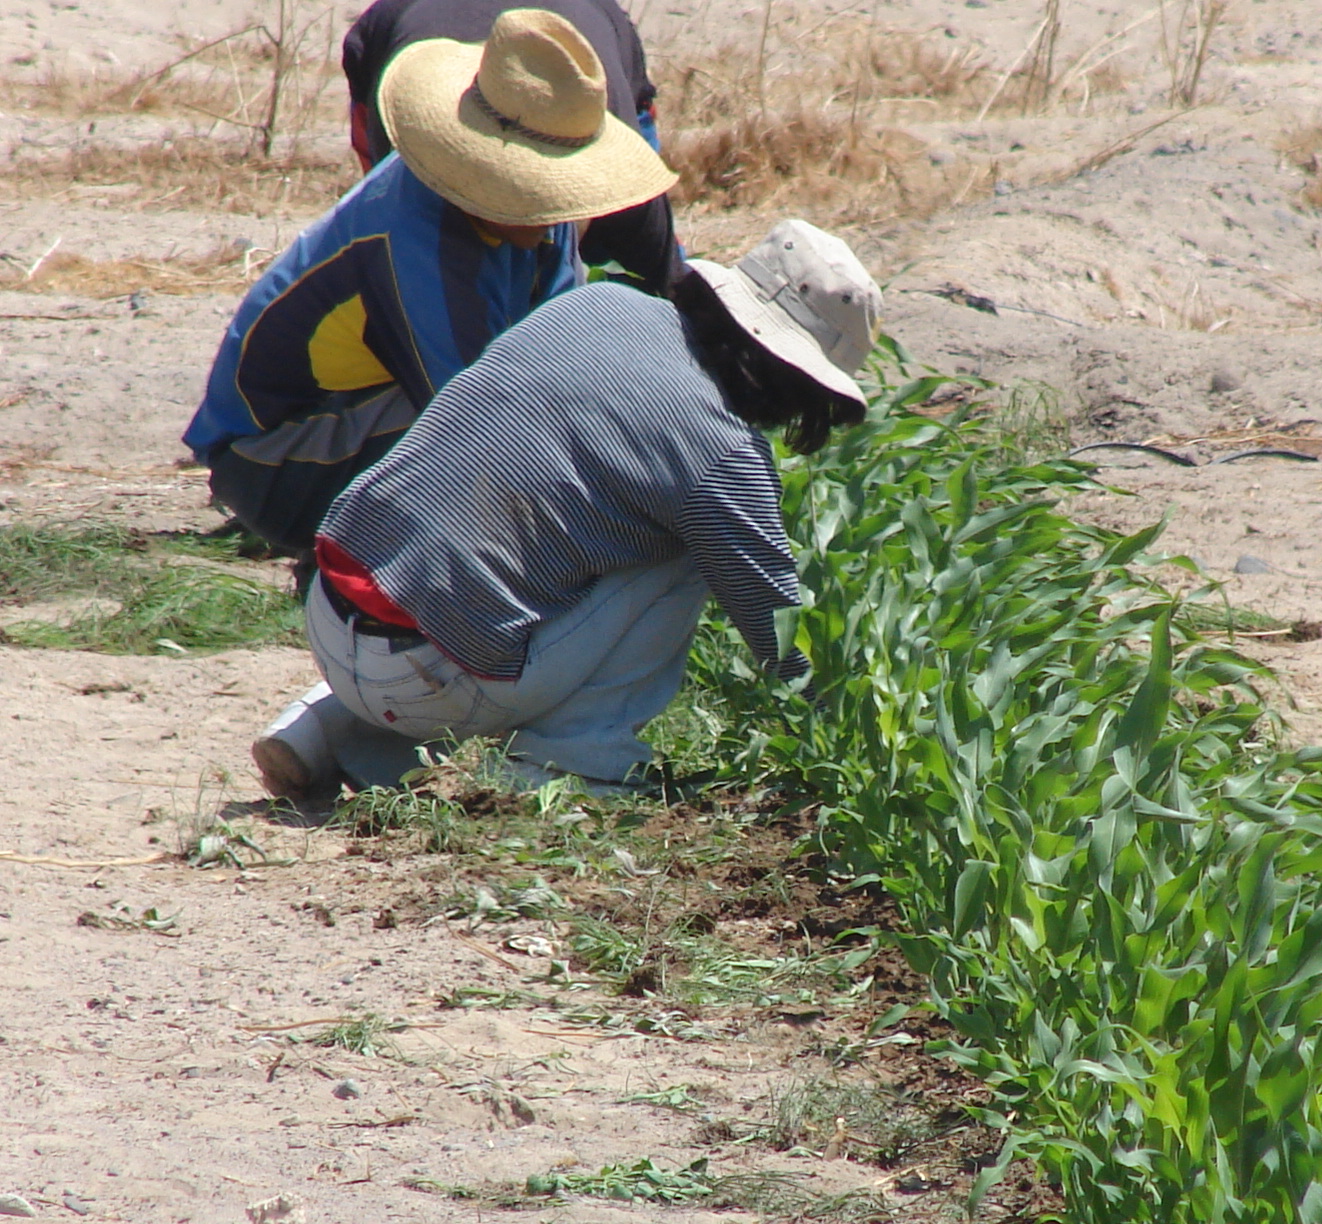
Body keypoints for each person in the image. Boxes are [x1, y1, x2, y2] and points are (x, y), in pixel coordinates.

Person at [251, 219, 882, 800]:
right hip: (422, 676)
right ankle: (567, 764)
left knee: (486, 570)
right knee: (691, 554)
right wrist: (860, 736)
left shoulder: (599, 304)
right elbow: (779, 637)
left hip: (330, 614)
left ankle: (325, 727)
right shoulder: (722, 452)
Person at [183, 9, 677, 554]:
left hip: (381, 408)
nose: (554, 211)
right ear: (490, 172)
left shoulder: (544, 214)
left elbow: (560, 359)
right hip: (273, 458)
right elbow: (486, 428)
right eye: (538, 189)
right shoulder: (419, 245)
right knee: (490, 443)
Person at [341, 0, 682, 295]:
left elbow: (679, 295)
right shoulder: (414, 150)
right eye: (522, 198)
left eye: (557, 205)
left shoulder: (632, 203)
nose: (542, 225)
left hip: (591, 15)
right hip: (404, 31)